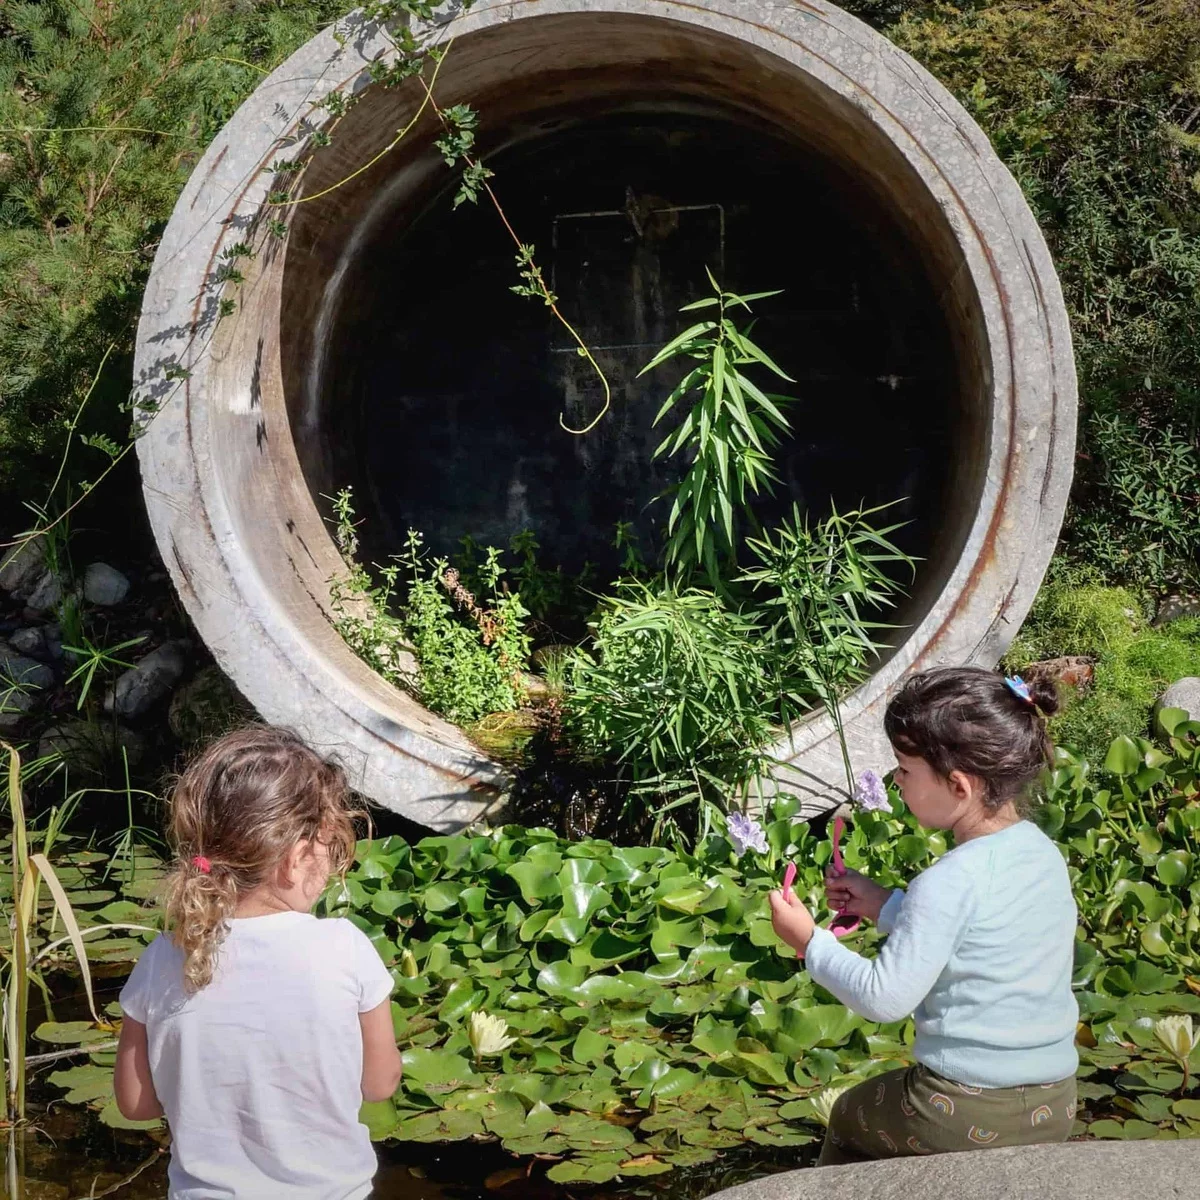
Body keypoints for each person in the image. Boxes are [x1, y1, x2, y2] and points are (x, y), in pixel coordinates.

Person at [770, 667, 1078, 1164]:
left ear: (958, 785)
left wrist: (809, 942)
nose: (896, 779)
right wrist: (884, 905)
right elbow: (980, 935)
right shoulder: (1041, 854)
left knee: (849, 1113)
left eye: (905, 770)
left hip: (963, 1109)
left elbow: (884, 998)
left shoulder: (947, 880)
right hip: (1056, 1101)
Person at [114, 726, 403, 1199]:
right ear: (295, 858)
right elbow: (379, 1083)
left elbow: (136, 1103)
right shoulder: (345, 946)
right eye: (331, 848)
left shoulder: (163, 956)